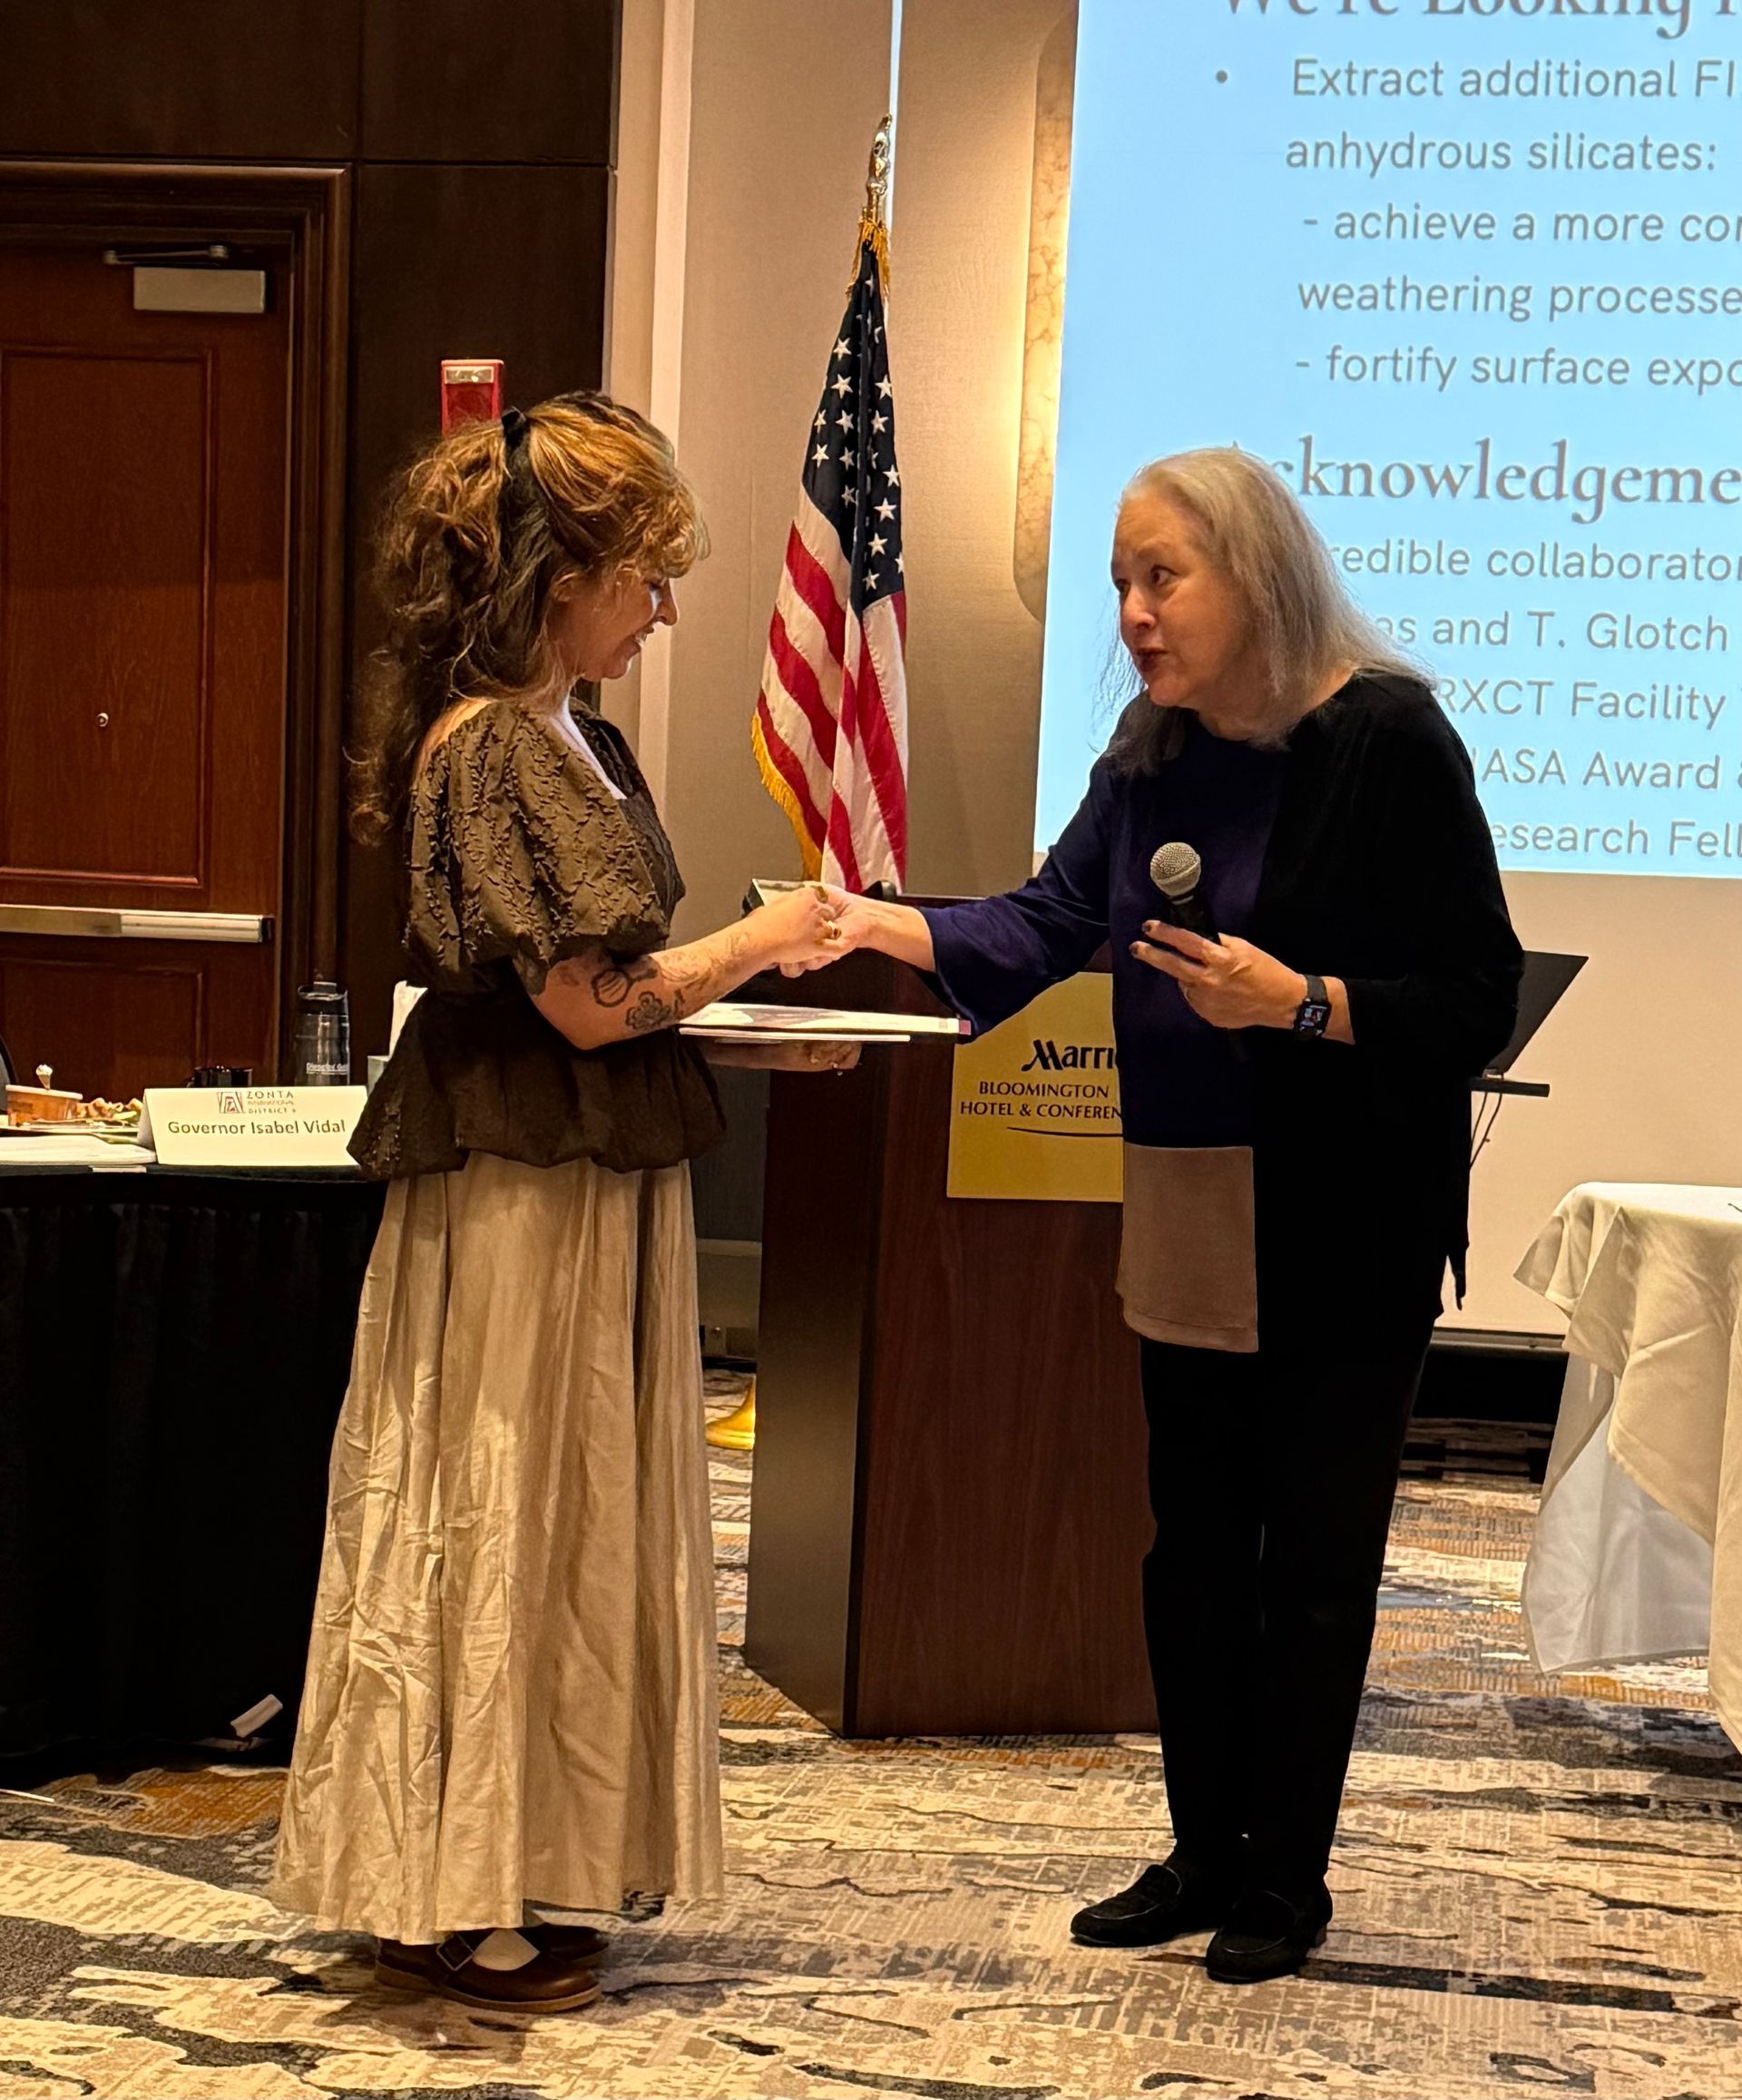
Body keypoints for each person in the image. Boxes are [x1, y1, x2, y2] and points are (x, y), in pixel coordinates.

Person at [830, 447, 1522, 1984]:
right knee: (1191, 1549)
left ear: (1255, 574)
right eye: (1122, 583)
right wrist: (878, 919)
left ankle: (1288, 1879)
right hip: (1192, 1206)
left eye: (1165, 578)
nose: (1135, 613)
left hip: (1346, 1223)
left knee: (1316, 1560)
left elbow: (1477, 990)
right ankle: (1203, 1846)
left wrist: (1310, 1003)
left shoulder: (1389, 738)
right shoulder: (1152, 756)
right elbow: (1043, 921)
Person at [269, 393, 851, 2014]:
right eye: (642, 577)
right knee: (505, 1505)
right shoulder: (488, 748)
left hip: (583, 1182)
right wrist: (753, 946)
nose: (662, 609)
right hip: (520, 1193)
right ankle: (454, 1877)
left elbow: (601, 994)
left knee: (573, 1512)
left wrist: (749, 1016)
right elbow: (589, 1006)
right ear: (554, 577)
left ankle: (532, 1849)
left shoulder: (575, 735)